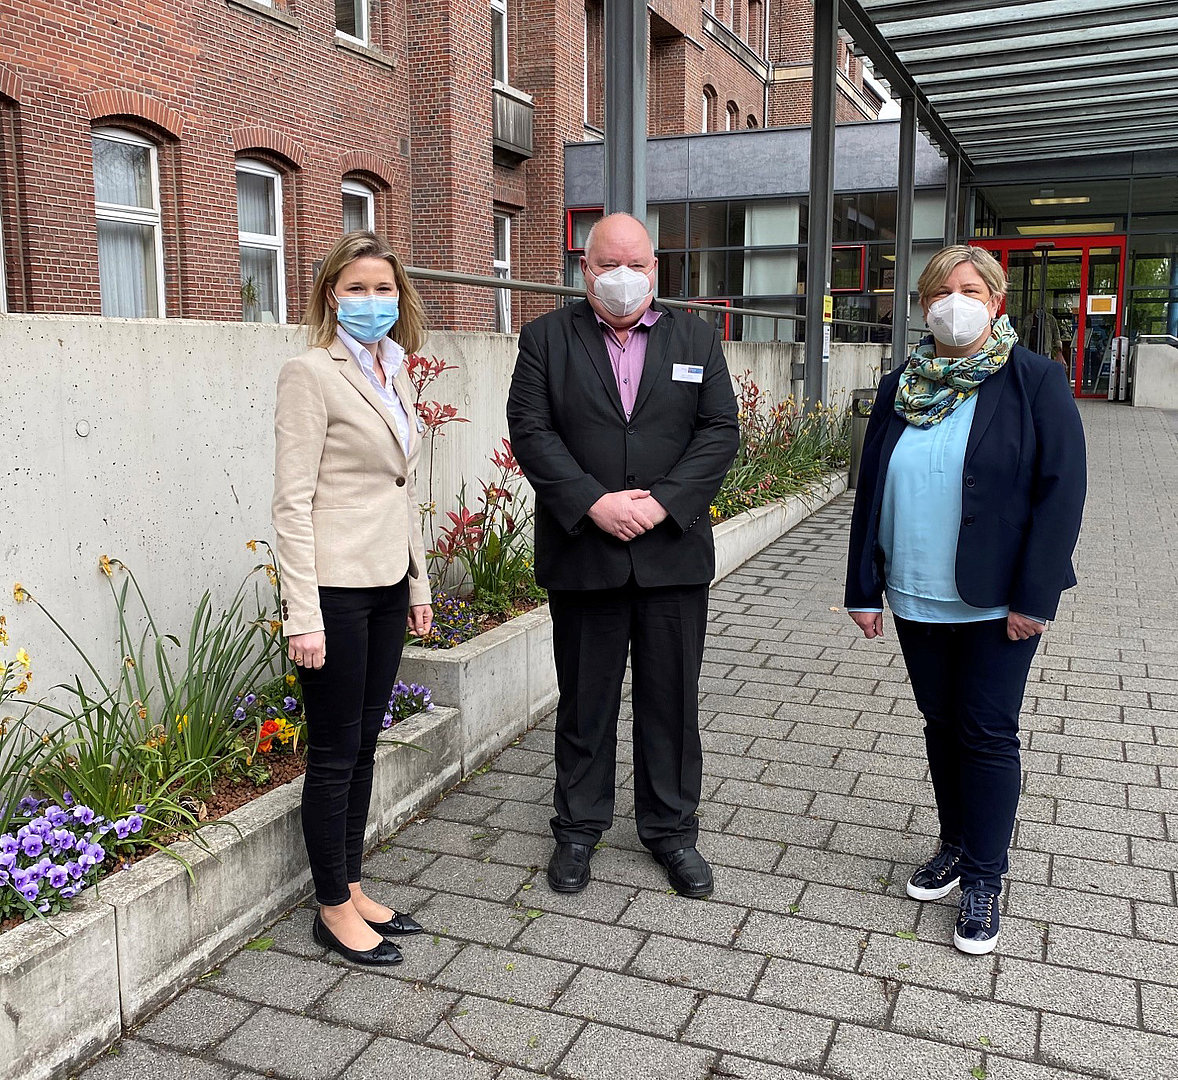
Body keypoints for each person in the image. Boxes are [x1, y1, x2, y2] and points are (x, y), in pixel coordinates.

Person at [844, 244, 1086, 955]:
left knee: (986, 733)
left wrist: (1035, 597)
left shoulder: (1035, 381)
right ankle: (954, 843)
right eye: (942, 290)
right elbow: (872, 491)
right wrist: (863, 588)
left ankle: (985, 875)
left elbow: (1061, 493)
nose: (957, 300)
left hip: (996, 602)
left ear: (997, 301)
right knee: (940, 725)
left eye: (972, 288)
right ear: (922, 304)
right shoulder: (900, 385)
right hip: (917, 594)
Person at [507, 213, 739, 899]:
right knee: (586, 700)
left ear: (655, 269)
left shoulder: (696, 336)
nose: (624, 276)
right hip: (586, 551)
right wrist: (593, 503)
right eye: (610, 263)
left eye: (637, 263)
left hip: (672, 553)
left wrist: (663, 503)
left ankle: (671, 831)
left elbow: (718, 430)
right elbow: (531, 429)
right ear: (585, 268)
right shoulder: (547, 338)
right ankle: (578, 828)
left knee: (671, 700)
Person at [272, 231, 433, 966]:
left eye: (384, 288)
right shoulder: (310, 373)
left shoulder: (393, 370)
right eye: (358, 288)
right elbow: (291, 503)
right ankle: (330, 908)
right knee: (335, 752)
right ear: (331, 294)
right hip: (333, 592)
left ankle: (352, 883)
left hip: (384, 585)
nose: (374, 301)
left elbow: (404, 489)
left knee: (367, 743)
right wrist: (300, 614)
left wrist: (418, 583)